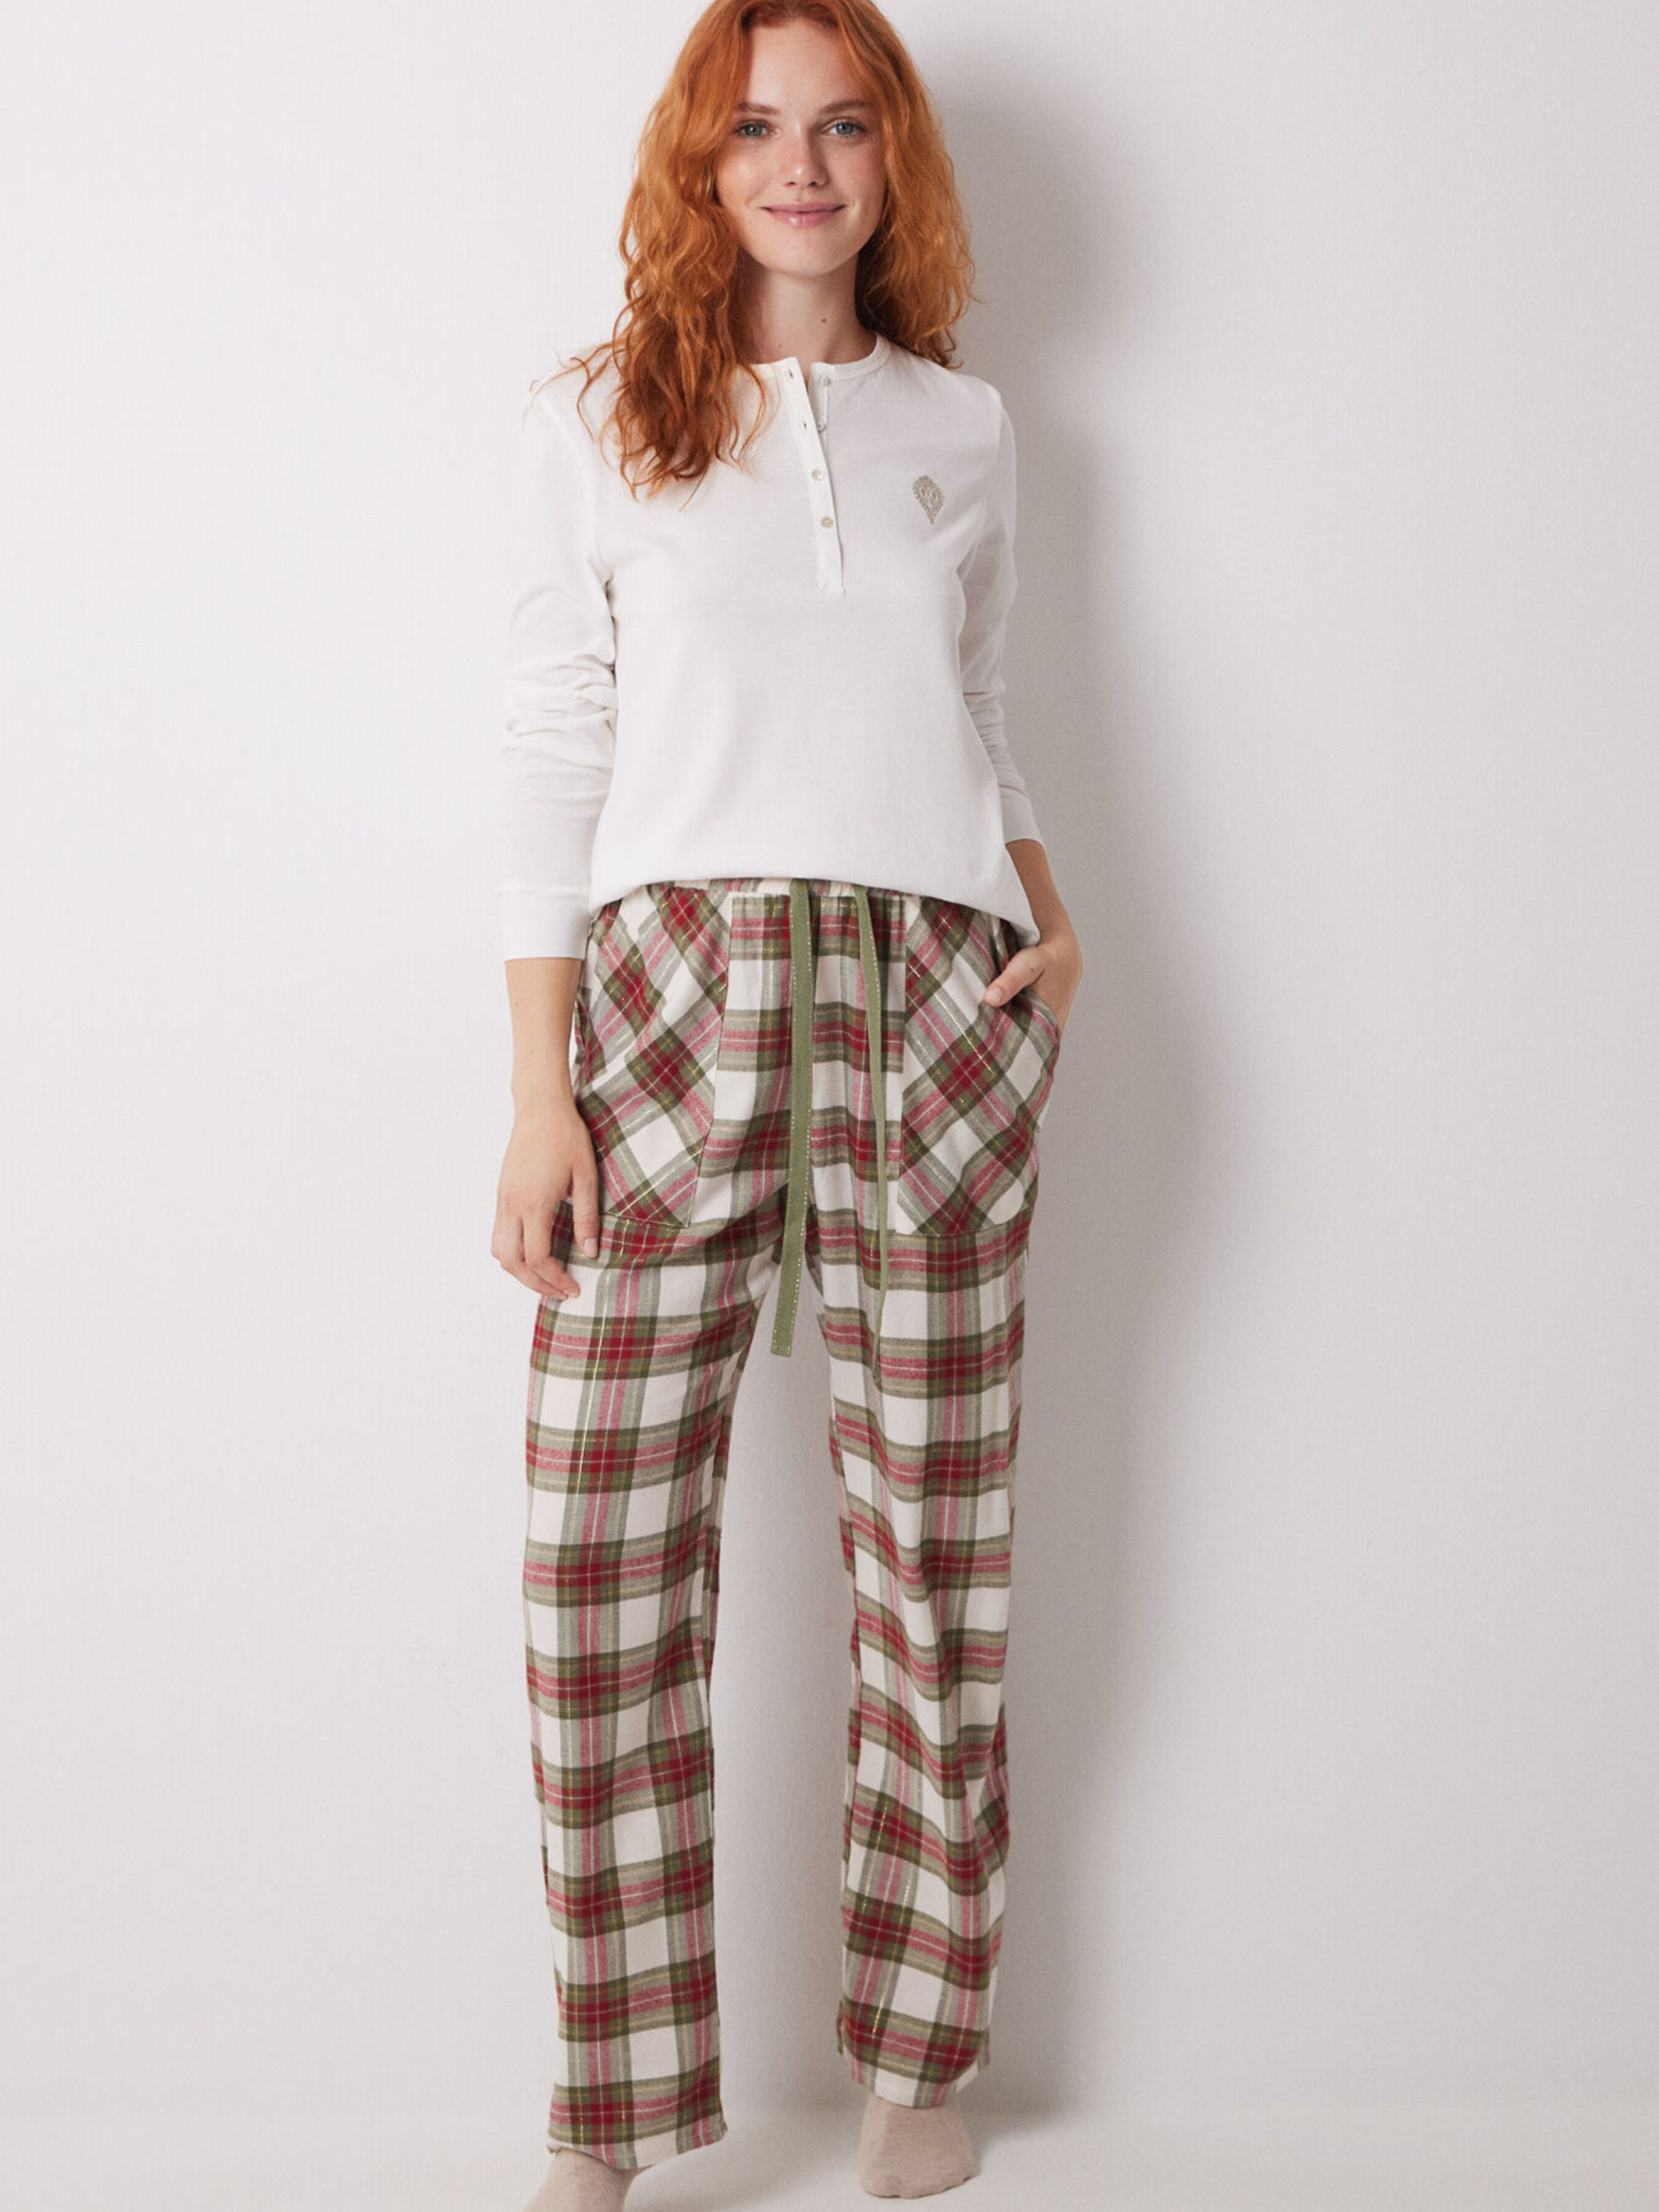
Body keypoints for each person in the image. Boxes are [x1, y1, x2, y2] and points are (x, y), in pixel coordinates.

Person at [492, 2, 1083, 2203]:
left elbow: (977, 704)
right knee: (598, 1567)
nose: (801, 165)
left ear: (890, 155)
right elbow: (554, 741)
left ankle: (919, 2054)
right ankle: (617, 2099)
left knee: (933, 1560)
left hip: (936, 998)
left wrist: (1048, 911)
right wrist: (537, 1090)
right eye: (754, 128)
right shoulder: (598, 418)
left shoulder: (968, 427)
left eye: (841, 126)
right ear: (702, 159)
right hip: (668, 1002)